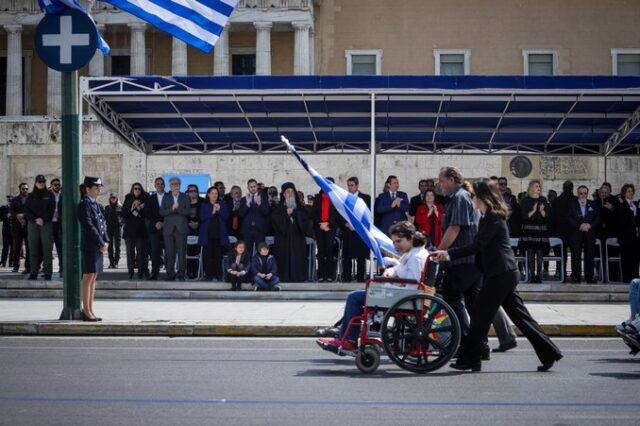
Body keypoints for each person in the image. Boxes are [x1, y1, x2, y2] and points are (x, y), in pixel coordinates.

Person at [434, 179, 563, 372]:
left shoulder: (493, 217)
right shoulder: (488, 216)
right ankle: (549, 353)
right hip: (502, 273)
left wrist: (449, 253)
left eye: (474, 195)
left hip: (501, 274)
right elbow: (480, 248)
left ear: (484, 197)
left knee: (479, 315)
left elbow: (477, 246)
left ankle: (470, 359)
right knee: (520, 317)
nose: (472, 198)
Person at [317, 221, 428, 354]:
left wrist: (389, 284)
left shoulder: (415, 258)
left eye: (399, 241)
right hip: (402, 296)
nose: (396, 245)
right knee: (359, 295)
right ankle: (344, 334)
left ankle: (349, 339)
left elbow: (413, 286)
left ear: (410, 238)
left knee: (355, 297)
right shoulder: (413, 254)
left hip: (403, 298)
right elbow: (400, 269)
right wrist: (390, 272)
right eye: (394, 242)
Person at [77, 177, 109, 322]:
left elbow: (103, 225)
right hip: (90, 245)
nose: (98, 190)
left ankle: (91, 309)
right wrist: (101, 242)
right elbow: (88, 226)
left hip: (98, 245)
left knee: (94, 277)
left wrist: (106, 241)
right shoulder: (84, 205)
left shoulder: (98, 205)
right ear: (87, 189)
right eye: (96, 188)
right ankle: (86, 310)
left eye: (99, 188)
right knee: (88, 276)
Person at [271, 182, 310, 282]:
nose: (290, 194)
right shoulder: (278, 208)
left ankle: (299, 278)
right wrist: (286, 214)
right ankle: (283, 277)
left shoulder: (300, 207)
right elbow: (275, 223)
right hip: (283, 240)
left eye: (292, 191)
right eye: (287, 192)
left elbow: (306, 222)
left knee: (297, 258)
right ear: (283, 195)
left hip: (297, 239)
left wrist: (296, 214)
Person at [24, 175, 56, 280]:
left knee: (47, 249)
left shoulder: (50, 195)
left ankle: (48, 272)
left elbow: (51, 210)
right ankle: (33, 272)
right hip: (33, 224)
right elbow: (27, 210)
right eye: (39, 182)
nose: (41, 183)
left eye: (43, 181)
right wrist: (35, 219)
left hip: (46, 224)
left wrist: (42, 219)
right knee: (33, 249)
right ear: (35, 183)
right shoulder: (30, 196)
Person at [519, 180, 551, 283]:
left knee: (540, 253)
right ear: (531, 188)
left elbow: (547, 217)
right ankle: (532, 275)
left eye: (539, 186)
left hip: (541, 230)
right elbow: (524, 216)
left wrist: (541, 211)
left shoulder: (543, 199)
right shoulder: (525, 200)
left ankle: (539, 275)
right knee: (530, 253)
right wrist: (533, 210)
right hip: (529, 230)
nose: (539, 188)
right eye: (536, 186)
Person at [341, 177, 371, 282]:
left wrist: (358, 226)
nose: (350, 188)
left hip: (360, 231)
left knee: (361, 256)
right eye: (348, 185)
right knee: (347, 256)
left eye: (352, 185)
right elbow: (340, 213)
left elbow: (368, 215)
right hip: (348, 231)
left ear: (357, 185)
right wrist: (346, 224)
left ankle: (360, 277)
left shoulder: (366, 198)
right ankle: (347, 277)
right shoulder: (344, 198)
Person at [568, 185, 600, 283]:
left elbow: (598, 218)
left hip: (589, 233)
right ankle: (576, 276)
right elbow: (569, 218)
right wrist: (579, 225)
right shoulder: (572, 204)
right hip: (576, 233)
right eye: (581, 193)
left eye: (585, 193)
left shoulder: (592, 204)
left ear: (587, 194)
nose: (583, 195)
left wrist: (589, 225)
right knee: (576, 255)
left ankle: (589, 276)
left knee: (589, 255)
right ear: (577, 194)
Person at [160, 176, 190, 281]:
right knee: (169, 253)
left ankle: (181, 273)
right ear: (170, 186)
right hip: (168, 229)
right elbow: (162, 212)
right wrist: (172, 209)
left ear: (180, 185)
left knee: (181, 253)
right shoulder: (166, 197)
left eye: (177, 184)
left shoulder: (185, 197)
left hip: (181, 228)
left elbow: (188, 212)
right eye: (173, 184)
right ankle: (170, 274)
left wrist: (178, 208)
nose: (175, 185)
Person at [198, 186, 229, 281]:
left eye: (216, 193)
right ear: (208, 194)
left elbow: (226, 216)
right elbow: (202, 217)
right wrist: (212, 212)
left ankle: (218, 275)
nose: (214, 195)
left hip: (219, 234)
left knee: (218, 255)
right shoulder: (204, 204)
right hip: (207, 234)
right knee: (208, 256)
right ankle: (209, 275)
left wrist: (219, 210)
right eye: (212, 193)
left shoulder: (222, 204)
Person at [312, 178, 340, 282]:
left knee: (329, 251)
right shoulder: (318, 197)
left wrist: (328, 223)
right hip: (320, 227)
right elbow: (314, 213)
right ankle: (320, 275)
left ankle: (330, 275)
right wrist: (320, 224)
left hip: (330, 227)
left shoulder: (335, 197)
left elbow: (336, 213)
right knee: (320, 251)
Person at [122, 183, 148, 279]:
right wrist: (132, 207)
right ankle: (130, 271)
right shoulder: (128, 198)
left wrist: (140, 207)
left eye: (139, 189)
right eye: (135, 188)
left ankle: (140, 272)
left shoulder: (145, 199)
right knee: (130, 253)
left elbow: (146, 214)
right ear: (132, 189)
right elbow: (124, 214)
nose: (137, 190)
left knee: (141, 253)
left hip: (140, 230)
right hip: (129, 230)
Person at [550, 181, 575, 282]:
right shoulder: (575, 200)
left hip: (559, 232)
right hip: (573, 231)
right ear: (572, 188)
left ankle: (562, 274)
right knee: (574, 254)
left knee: (561, 254)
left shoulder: (556, 201)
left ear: (563, 188)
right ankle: (575, 274)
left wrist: (552, 233)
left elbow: (552, 218)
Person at [239, 178, 270, 255]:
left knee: (261, 251)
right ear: (248, 188)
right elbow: (241, 214)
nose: (253, 188)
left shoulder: (264, 198)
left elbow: (266, 212)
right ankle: (248, 267)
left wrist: (260, 204)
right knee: (247, 252)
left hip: (259, 229)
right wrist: (247, 204)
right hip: (247, 230)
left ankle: (260, 267)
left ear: (257, 187)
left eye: (254, 186)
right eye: (251, 187)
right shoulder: (243, 199)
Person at [616, 184, 640, 283]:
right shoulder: (621, 204)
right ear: (624, 193)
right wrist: (627, 208)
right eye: (628, 191)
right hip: (625, 236)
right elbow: (622, 218)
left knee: (635, 258)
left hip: (636, 236)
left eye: (632, 191)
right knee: (626, 257)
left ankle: (635, 277)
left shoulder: (635, 204)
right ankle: (626, 278)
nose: (631, 193)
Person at [596, 183, 619, 282]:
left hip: (612, 232)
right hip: (599, 233)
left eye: (606, 193)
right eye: (602, 192)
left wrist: (612, 209)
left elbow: (620, 215)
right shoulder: (595, 202)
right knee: (599, 255)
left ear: (609, 193)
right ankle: (600, 275)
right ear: (599, 193)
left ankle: (613, 276)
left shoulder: (614, 201)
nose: (604, 194)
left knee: (612, 255)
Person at [145, 177, 166, 281]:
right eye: (158, 184)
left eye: (161, 184)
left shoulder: (169, 196)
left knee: (169, 251)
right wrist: (156, 223)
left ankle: (170, 272)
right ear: (155, 185)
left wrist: (163, 223)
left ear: (164, 185)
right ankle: (155, 272)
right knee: (155, 251)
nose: (160, 185)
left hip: (167, 228)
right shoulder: (150, 198)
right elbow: (148, 213)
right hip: (154, 228)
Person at [10, 183, 30, 274]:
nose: (25, 190)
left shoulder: (31, 199)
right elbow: (11, 212)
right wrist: (18, 216)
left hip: (28, 227)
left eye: (26, 189)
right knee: (17, 247)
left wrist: (24, 216)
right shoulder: (14, 200)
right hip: (17, 228)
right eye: (23, 189)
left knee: (29, 247)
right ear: (20, 189)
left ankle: (28, 266)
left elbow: (32, 211)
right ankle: (16, 266)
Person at [186, 184, 203, 279]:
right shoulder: (184, 202)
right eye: (190, 191)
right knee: (189, 252)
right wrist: (189, 223)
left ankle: (197, 272)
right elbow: (182, 215)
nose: (192, 193)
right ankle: (189, 272)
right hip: (187, 230)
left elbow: (205, 215)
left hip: (199, 230)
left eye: (194, 191)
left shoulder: (202, 202)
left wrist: (197, 224)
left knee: (198, 252)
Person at [104, 193, 122, 269]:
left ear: (117, 198)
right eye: (112, 198)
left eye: (114, 198)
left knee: (117, 246)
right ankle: (111, 262)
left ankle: (116, 261)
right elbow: (104, 217)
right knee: (110, 246)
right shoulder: (107, 207)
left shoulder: (120, 207)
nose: (113, 199)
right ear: (110, 199)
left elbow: (123, 217)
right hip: (109, 228)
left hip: (117, 228)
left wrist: (120, 223)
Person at [49, 178, 63, 276]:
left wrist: (60, 214)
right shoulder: (47, 196)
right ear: (51, 185)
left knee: (60, 247)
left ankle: (62, 268)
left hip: (59, 224)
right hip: (49, 224)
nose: (57, 186)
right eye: (55, 185)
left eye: (58, 185)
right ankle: (47, 269)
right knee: (47, 248)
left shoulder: (62, 196)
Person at [1, 196, 13, 268]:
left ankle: (11, 262)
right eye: (9, 200)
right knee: (5, 247)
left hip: (14, 230)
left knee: (13, 247)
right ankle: (3, 261)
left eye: (11, 200)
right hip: (6, 230)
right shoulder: (3, 208)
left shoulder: (16, 208)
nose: (10, 201)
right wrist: (6, 216)